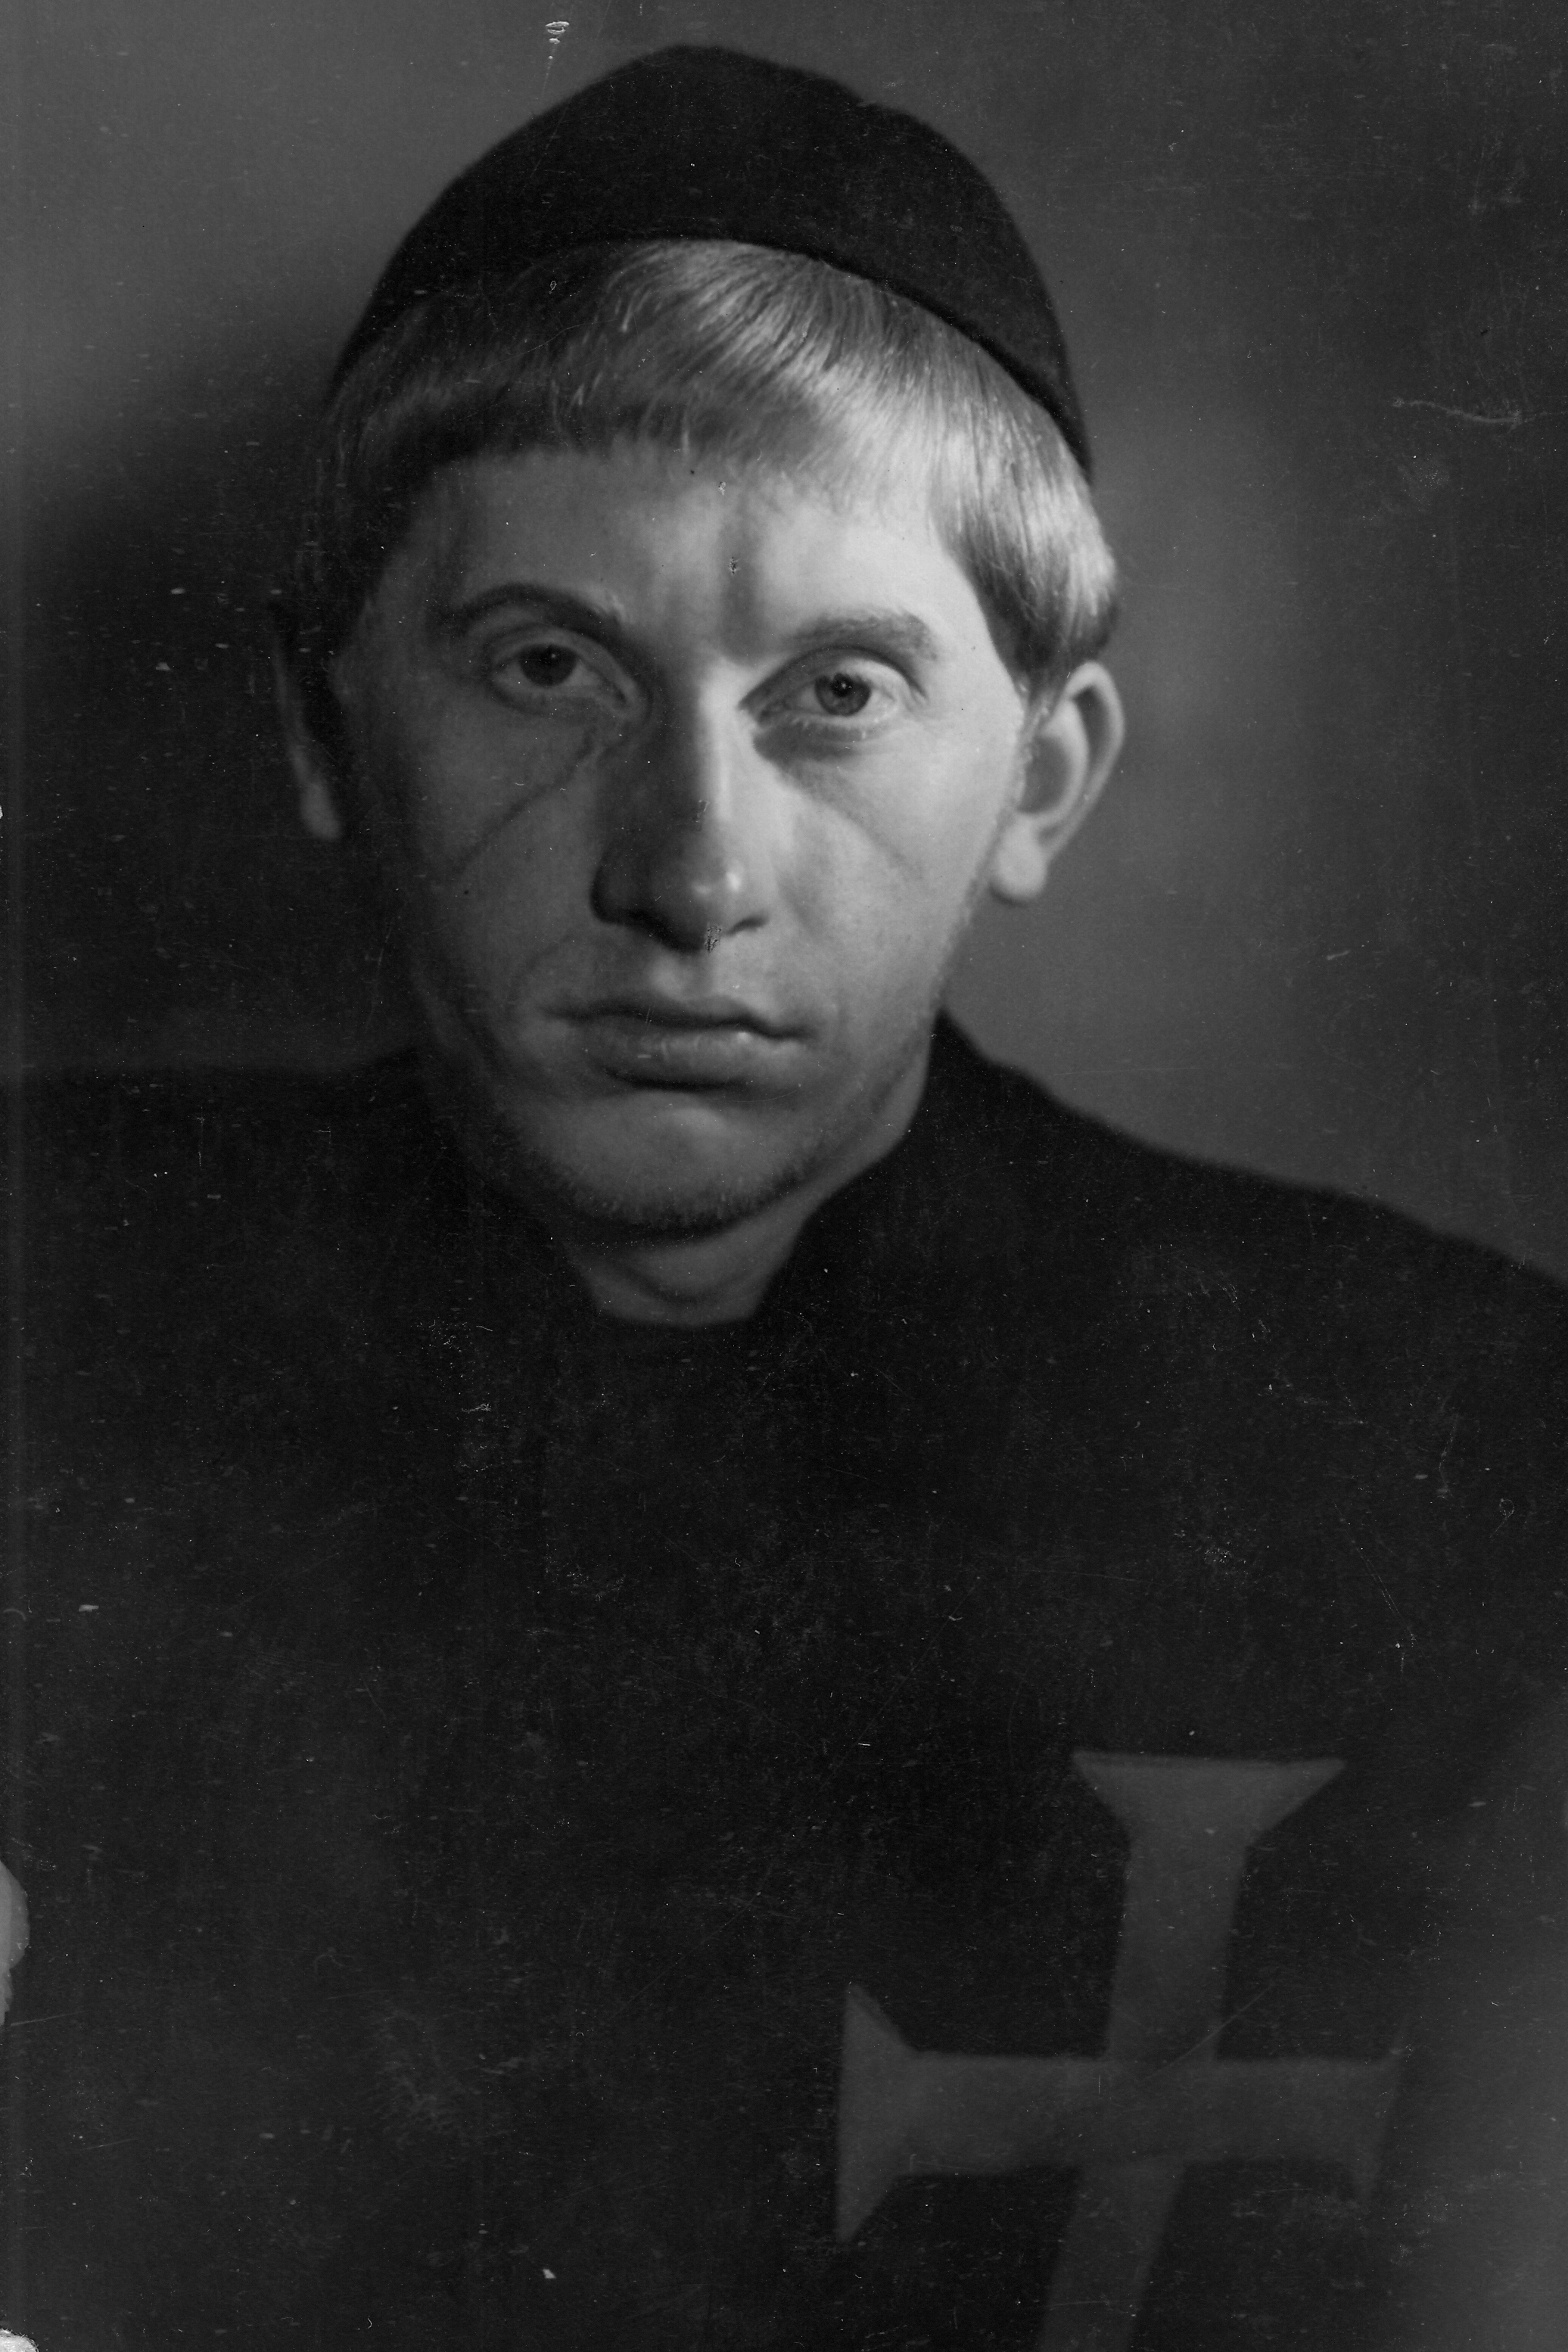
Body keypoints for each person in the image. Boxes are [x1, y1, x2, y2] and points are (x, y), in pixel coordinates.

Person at [5, 43, 1566, 2352]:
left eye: (835, 693)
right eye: (551, 666)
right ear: (325, 729)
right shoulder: (48, 1309)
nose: (692, 872)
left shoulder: (1454, 1436)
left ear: (1044, 779)